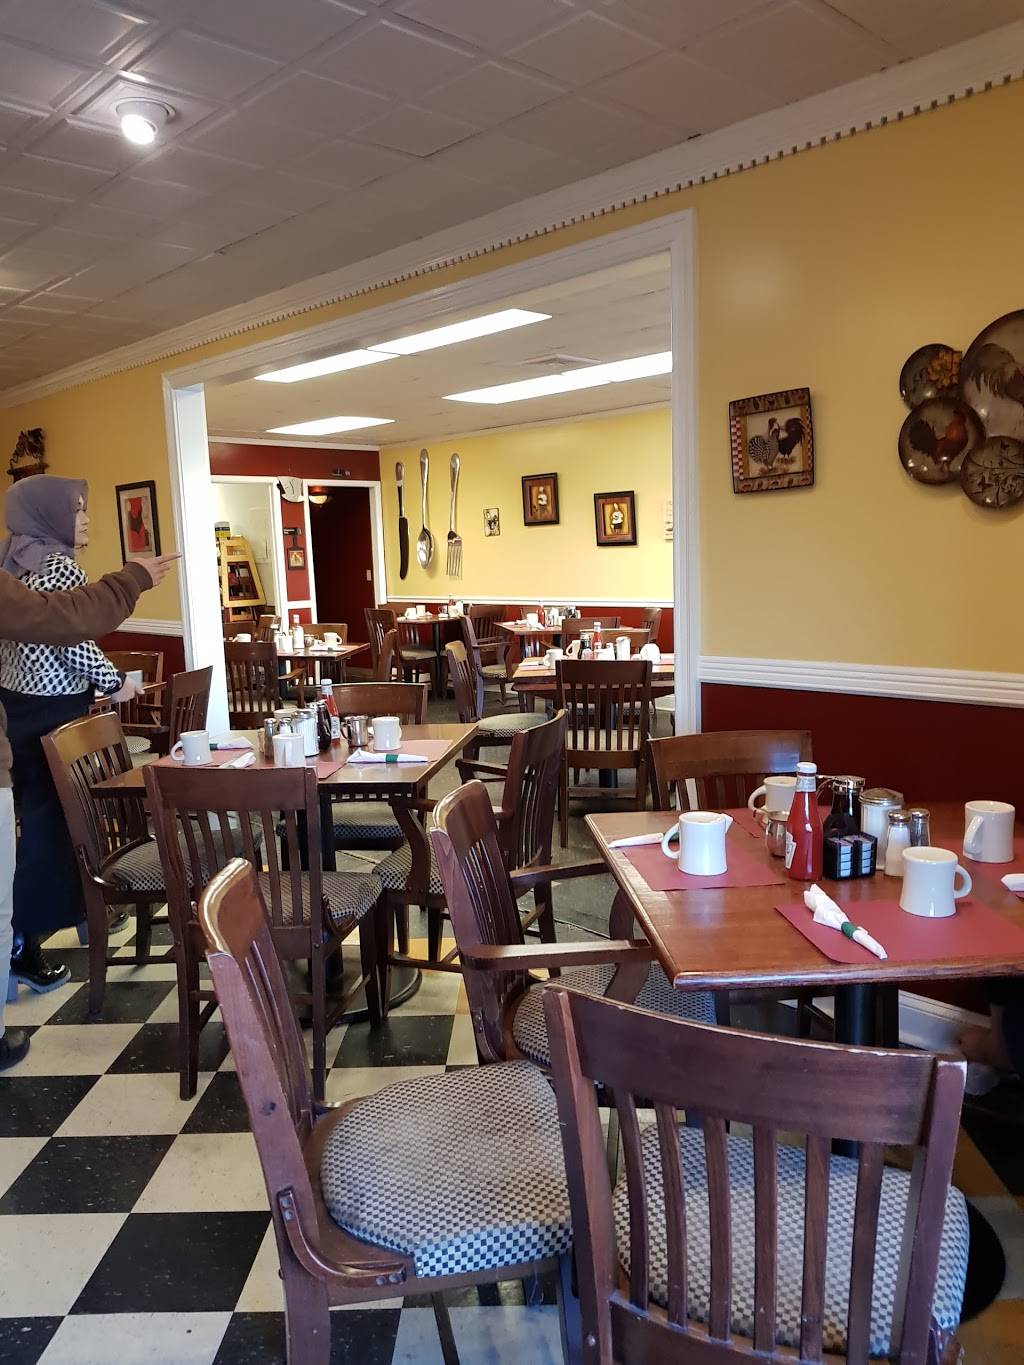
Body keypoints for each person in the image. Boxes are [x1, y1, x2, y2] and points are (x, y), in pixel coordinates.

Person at [0, 480, 178, 1070]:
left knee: (38, 823)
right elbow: (71, 636)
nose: (84, 520)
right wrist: (113, 680)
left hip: (17, 710)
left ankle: (53, 919)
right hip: (55, 712)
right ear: (48, 515)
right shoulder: (57, 566)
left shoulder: (12, 559)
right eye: (74, 510)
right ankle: (26, 938)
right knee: (59, 826)